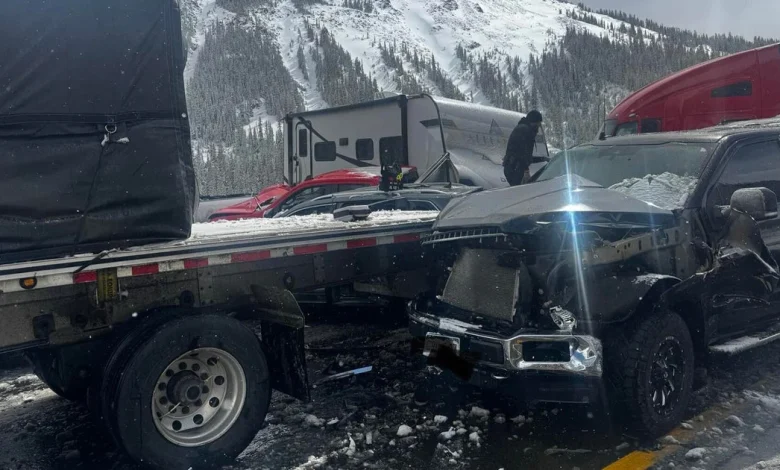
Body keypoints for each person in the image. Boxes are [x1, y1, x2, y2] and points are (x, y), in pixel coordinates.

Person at [503, 110, 543, 186]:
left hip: (512, 166)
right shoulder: (526, 130)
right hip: (515, 168)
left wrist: (542, 159)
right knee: (520, 190)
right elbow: (522, 154)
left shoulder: (522, 128)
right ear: (534, 121)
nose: (539, 126)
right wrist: (525, 170)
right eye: (538, 123)